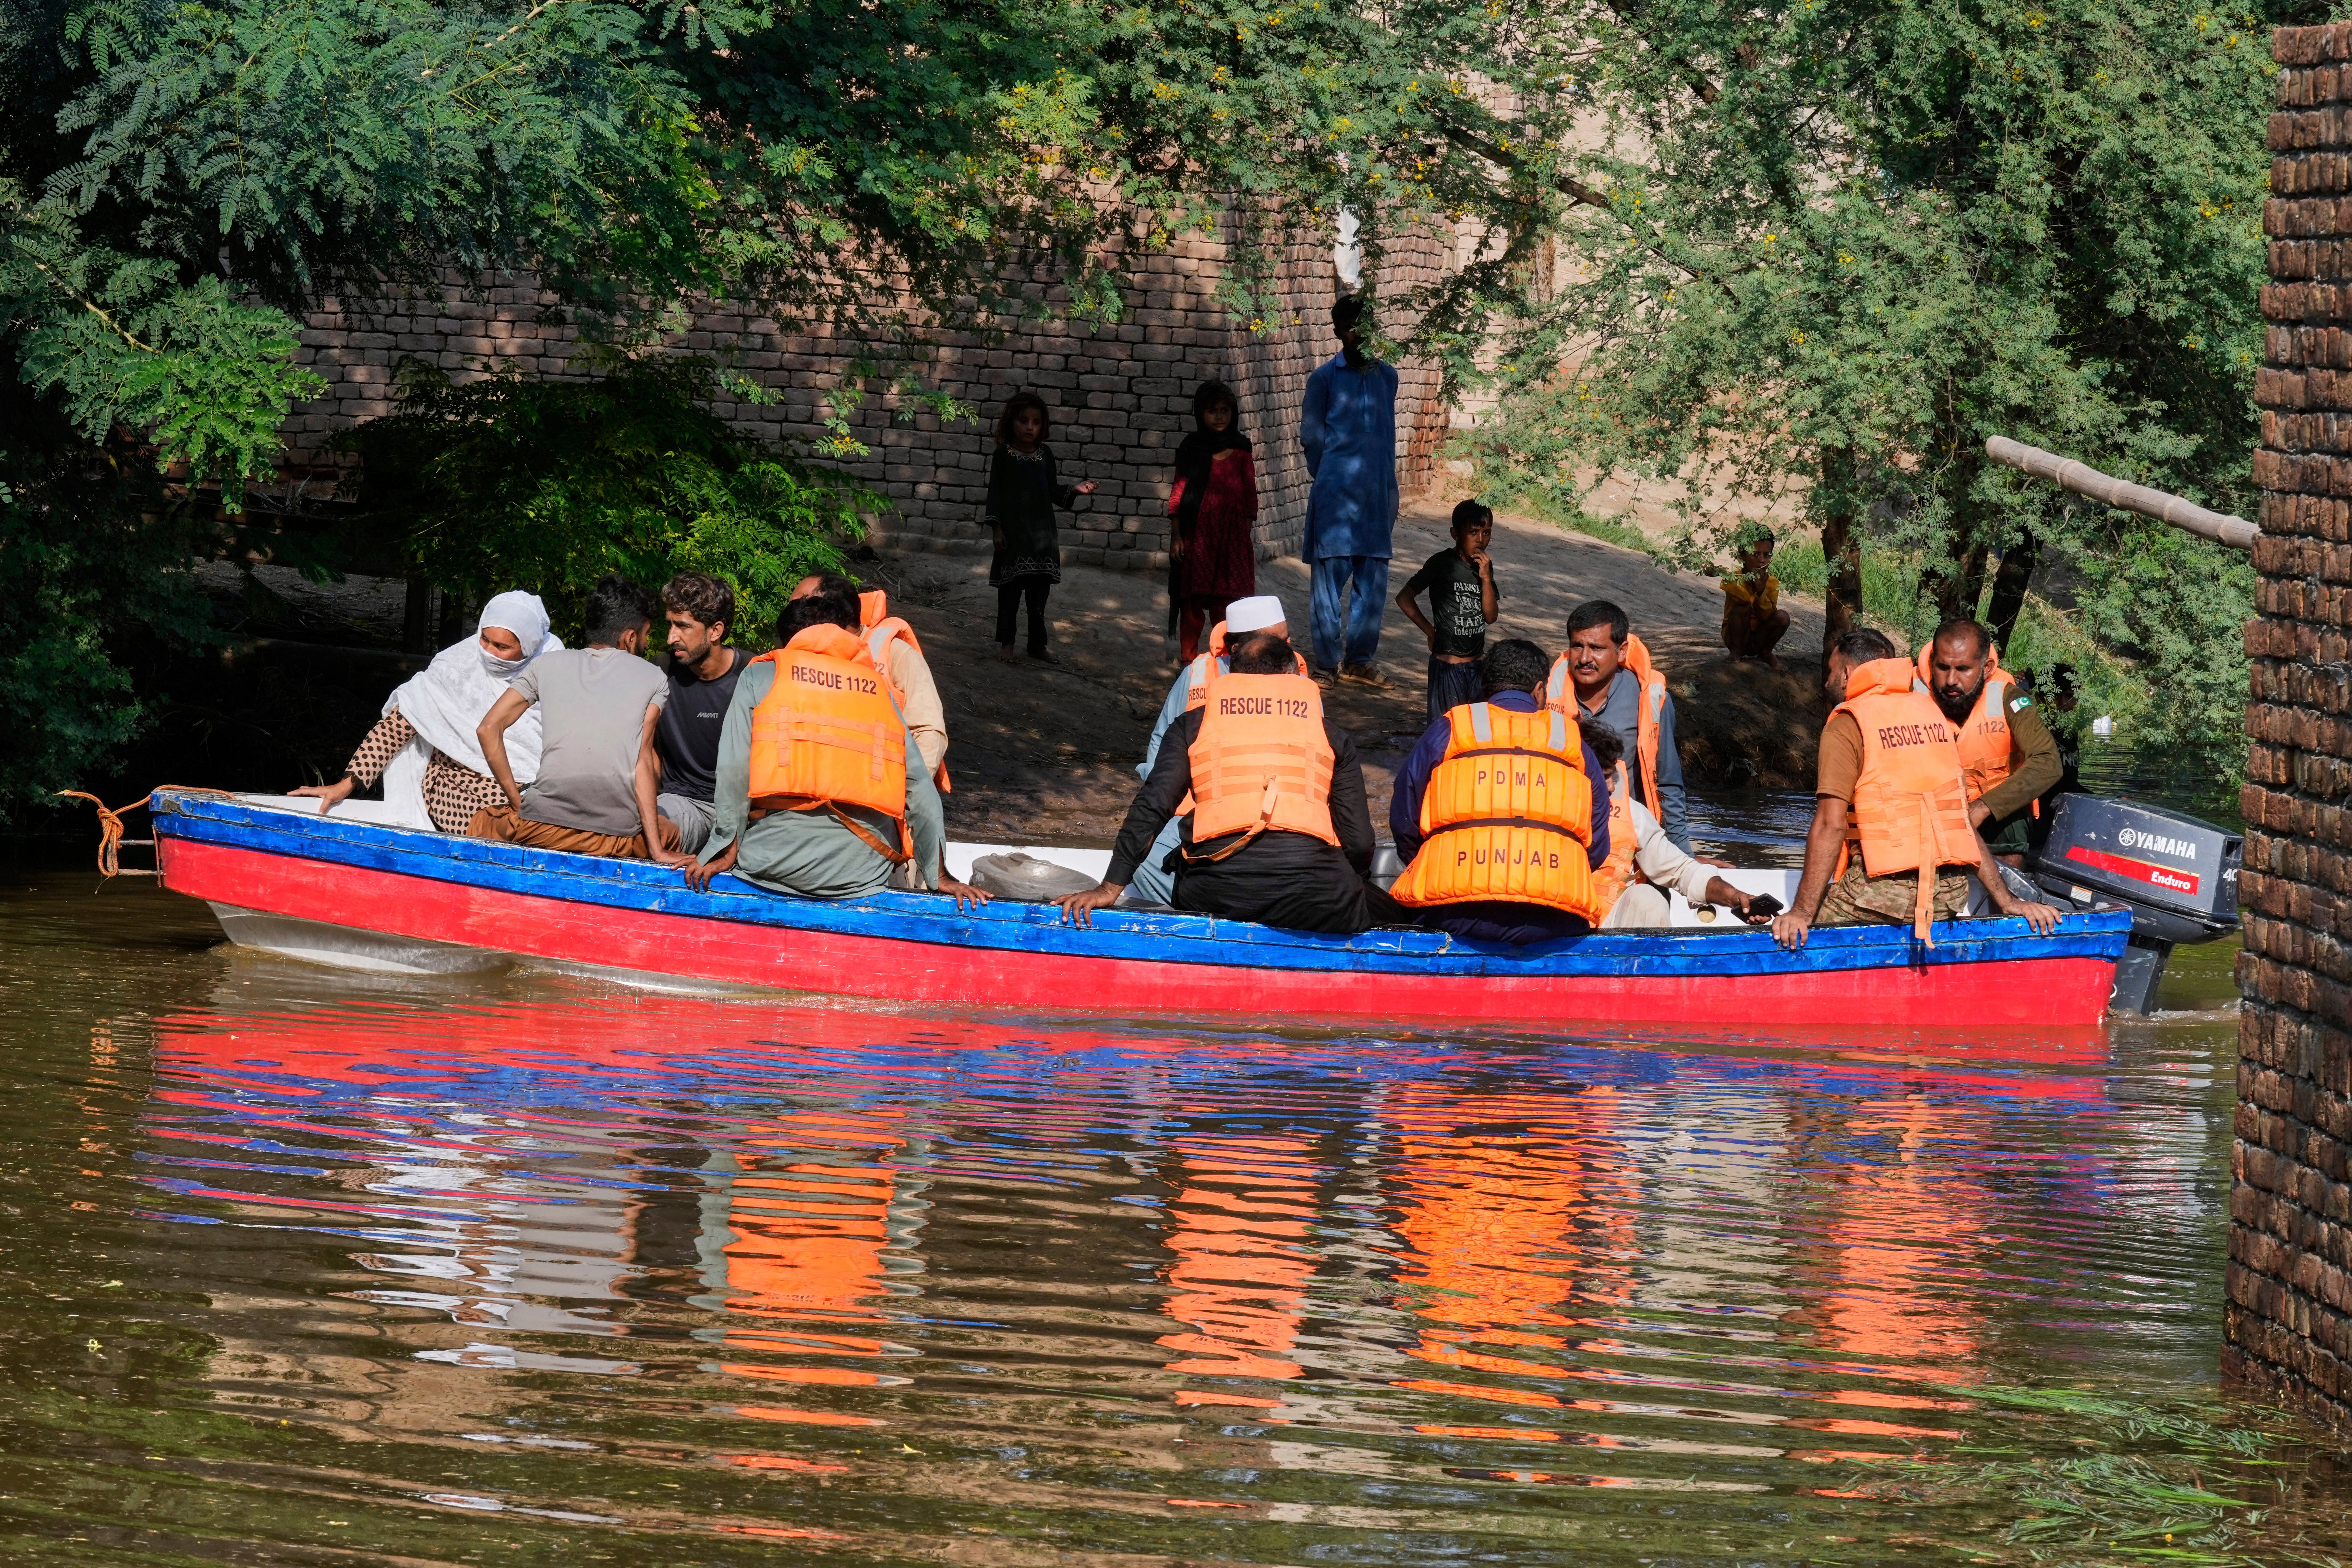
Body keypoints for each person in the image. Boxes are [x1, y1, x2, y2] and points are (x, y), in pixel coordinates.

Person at [1057, 631, 1401, 934]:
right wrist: (1345, 882)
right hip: (1316, 894)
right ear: (1290, 675)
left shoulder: (1192, 725)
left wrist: (1109, 888)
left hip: (1213, 891)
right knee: (1404, 916)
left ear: (1235, 677)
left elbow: (1153, 806)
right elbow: (1358, 842)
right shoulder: (1332, 736)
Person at [684, 576, 987, 905]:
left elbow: (733, 772)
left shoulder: (759, 676)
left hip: (769, 864)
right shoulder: (878, 690)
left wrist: (722, 849)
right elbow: (921, 792)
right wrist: (938, 875)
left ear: (790, 638)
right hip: (860, 875)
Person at [1771, 627, 2061, 949]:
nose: (1826, 683)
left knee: (1804, 939)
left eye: (1830, 672)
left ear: (1848, 674)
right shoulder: (1930, 717)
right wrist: (2007, 900)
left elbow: (1831, 824)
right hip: (1949, 894)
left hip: (1883, 895)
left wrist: (1800, 912)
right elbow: (1955, 819)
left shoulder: (1848, 724)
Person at [1387, 639, 1610, 945]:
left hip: (1453, 913)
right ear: (1539, 689)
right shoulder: (1572, 743)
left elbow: (1404, 817)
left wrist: (1433, 864)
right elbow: (1597, 847)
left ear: (1485, 688)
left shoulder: (1451, 728)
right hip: (1553, 920)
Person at [293, 592, 564, 831]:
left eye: (502, 647)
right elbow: (400, 723)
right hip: (458, 786)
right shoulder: (457, 663)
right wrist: (345, 785)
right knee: (504, 832)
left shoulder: (555, 670)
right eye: (485, 639)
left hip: (536, 790)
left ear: (529, 648)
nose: (489, 652)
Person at [472, 574, 677, 858]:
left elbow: (488, 728)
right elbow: (643, 762)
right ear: (630, 638)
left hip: (541, 829)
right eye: (645, 635)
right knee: (671, 833)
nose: (644, 643)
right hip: (613, 840)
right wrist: (657, 849)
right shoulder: (654, 677)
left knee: (483, 822)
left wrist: (516, 800)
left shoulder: (545, 665)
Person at [1127, 593, 1295, 906]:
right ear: (1238, 649)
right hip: (1195, 815)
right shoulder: (1197, 677)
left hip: (1279, 817)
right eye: (1279, 639)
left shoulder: (1297, 684)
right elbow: (1159, 748)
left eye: (1286, 638)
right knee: (1141, 860)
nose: (1289, 645)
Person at [1300, 296, 1400, 688]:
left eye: (1366, 326)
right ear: (1339, 333)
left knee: (1372, 585)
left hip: (1376, 499)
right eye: (1352, 327)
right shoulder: (1324, 379)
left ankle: (1360, 661)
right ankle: (1327, 664)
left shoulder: (1388, 377)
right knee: (1328, 585)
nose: (1360, 334)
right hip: (1336, 500)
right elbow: (1312, 438)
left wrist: (1386, 490)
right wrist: (1331, 476)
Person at [1581, 727, 1770, 929]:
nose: (1611, 788)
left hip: (1605, 935)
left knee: (1646, 898)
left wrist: (1735, 897)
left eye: (1612, 777)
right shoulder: (1543, 812)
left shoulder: (1632, 814)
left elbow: (1681, 871)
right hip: (1549, 927)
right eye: (1602, 777)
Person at [1915, 619, 2064, 866]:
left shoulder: (2010, 699)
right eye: (1942, 667)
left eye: (1963, 669)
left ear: (1986, 667)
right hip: (1927, 805)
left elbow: (2048, 762)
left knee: (2011, 821)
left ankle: (2005, 896)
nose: (1951, 680)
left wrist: (1982, 808)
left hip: (1989, 811)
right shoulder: (1909, 694)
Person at [1546, 600, 1691, 852]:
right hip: (1561, 836)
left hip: (1626, 839)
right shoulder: (1546, 695)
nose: (1584, 658)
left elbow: (1668, 783)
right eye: (1577, 647)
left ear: (1622, 651)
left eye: (1597, 648)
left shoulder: (1650, 700)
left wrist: (1682, 854)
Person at [985, 390, 1098, 665]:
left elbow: (1053, 492)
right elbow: (995, 494)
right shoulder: (1004, 455)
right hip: (1013, 537)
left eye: (1036, 423)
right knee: (1010, 595)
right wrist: (996, 530)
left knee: (1038, 599)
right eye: (1024, 421)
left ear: (1042, 427)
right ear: (1012, 422)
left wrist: (1075, 490)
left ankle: (1037, 645)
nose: (1029, 428)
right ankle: (1008, 645)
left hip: (1042, 539)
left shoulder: (1045, 455)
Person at [809, 574, 949, 785]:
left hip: (877, 794)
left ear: (833, 614)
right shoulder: (800, 654)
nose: (793, 616)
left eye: (800, 607)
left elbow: (928, 731)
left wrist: (908, 794)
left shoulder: (897, 654)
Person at [640, 571, 743, 861]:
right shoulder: (660, 671)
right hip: (681, 802)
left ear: (715, 631)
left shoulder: (754, 675)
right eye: (670, 625)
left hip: (743, 813)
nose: (672, 637)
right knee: (642, 832)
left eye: (683, 627)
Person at [1169, 380, 1260, 662]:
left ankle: (1223, 661)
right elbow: (1178, 492)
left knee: (1226, 606)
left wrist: (1243, 536)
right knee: (1193, 604)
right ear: (1200, 414)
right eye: (1211, 411)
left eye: (1224, 410)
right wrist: (1177, 535)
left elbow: (1249, 495)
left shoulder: (1242, 449)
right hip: (1198, 537)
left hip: (1232, 541)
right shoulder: (1192, 448)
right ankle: (1188, 662)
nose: (1219, 417)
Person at [1396, 499, 1500, 723]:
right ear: (1455, 533)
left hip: (1477, 666)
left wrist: (1485, 578)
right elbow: (1404, 598)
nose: (1481, 540)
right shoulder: (1441, 563)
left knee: (1475, 732)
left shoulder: (1485, 567)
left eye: (1487, 533)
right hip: (1448, 667)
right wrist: (1430, 631)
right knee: (1445, 732)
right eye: (1473, 532)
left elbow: (1491, 617)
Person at [1719, 525, 1791, 666]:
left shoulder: (1773, 583)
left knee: (1783, 617)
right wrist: (1755, 587)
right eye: (1756, 554)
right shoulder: (1732, 579)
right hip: (1735, 636)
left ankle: (1766, 652)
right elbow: (1744, 601)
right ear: (1742, 555)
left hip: (1760, 638)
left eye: (1767, 555)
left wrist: (1761, 592)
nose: (1762, 561)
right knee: (1742, 607)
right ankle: (1736, 652)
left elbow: (1768, 616)